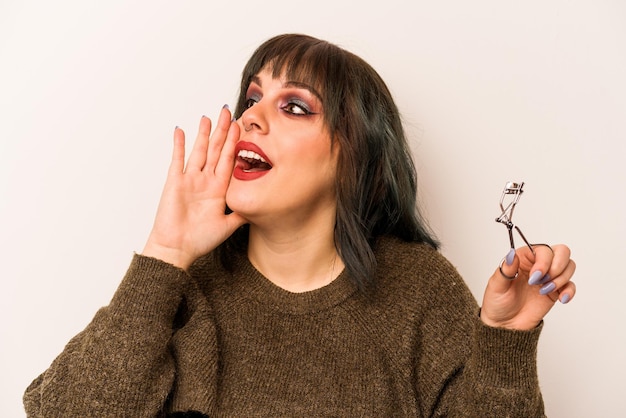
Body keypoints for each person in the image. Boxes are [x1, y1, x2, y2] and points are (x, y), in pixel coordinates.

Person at [23, 33, 576, 417]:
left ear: (353, 155)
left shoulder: (421, 291)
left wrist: (506, 339)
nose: (251, 118)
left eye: (295, 107)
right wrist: (165, 251)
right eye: (253, 97)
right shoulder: (180, 287)